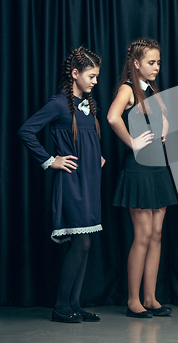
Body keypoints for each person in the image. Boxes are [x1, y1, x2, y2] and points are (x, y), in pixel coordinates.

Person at [18, 46, 104, 323]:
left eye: (97, 77)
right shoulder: (58, 103)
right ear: (75, 73)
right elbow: (26, 131)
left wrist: (96, 155)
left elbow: (86, 138)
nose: (94, 82)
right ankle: (61, 307)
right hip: (72, 183)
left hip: (89, 180)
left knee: (86, 243)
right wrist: (50, 159)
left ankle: (74, 305)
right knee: (82, 243)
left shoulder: (88, 105)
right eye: (91, 76)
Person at [107, 38, 177, 318]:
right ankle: (133, 300)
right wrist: (132, 143)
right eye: (151, 62)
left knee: (157, 234)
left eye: (158, 62)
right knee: (143, 235)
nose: (156, 67)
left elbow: (163, 117)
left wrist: (166, 124)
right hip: (138, 168)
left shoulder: (152, 90)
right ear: (136, 63)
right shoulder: (128, 88)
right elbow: (113, 117)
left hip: (158, 167)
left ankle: (150, 297)